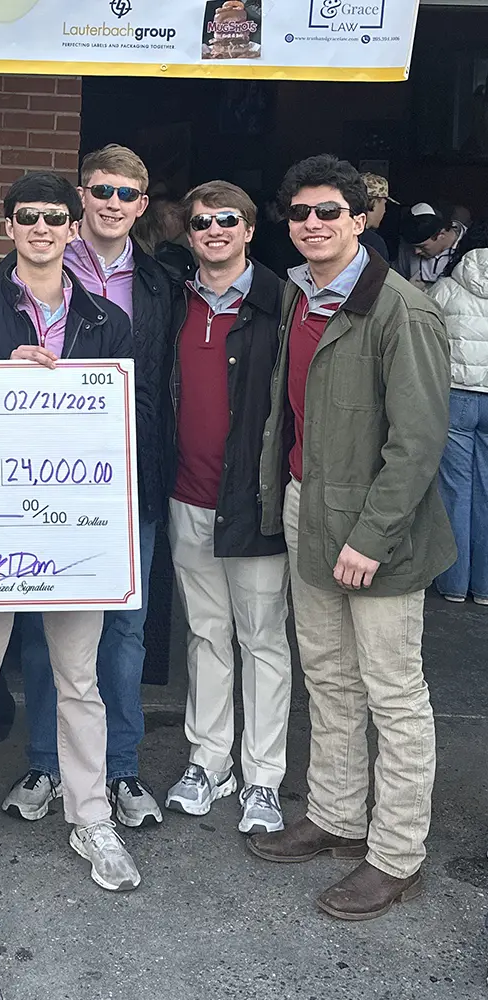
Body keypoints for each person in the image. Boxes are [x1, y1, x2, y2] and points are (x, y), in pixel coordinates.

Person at [0, 171, 141, 894]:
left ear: (74, 228)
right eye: (27, 217)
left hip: (73, 536)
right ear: (7, 227)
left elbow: (121, 430)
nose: (42, 228)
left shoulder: (110, 322)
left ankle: (92, 817)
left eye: (54, 217)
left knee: (80, 683)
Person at [251, 154, 454, 921]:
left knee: (394, 693)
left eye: (329, 212)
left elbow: (418, 440)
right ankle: (337, 817)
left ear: (361, 218)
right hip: (311, 508)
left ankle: (397, 853)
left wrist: (371, 536)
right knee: (329, 679)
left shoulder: (401, 309)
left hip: (379, 529)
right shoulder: (303, 296)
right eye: (301, 213)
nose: (313, 224)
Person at [4, 144, 170, 830]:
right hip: (44, 487)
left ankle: (121, 769)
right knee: (47, 635)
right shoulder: (20, 276)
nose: (112, 203)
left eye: (126, 193)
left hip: (130, 478)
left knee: (124, 633)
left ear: (142, 203)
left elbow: (161, 386)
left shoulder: (162, 284)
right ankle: (45, 762)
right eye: (100, 190)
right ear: (81, 202)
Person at [160, 181, 292, 835]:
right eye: (202, 222)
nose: (214, 230)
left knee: (262, 639)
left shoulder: (282, 303)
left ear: (248, 230)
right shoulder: (172, 302)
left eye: (228, 220)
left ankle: (263, 777)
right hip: (187, 495)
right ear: (189, 235)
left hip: (255, 501)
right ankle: (209, 762)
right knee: (207, 635)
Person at [429, 222, 488, 603]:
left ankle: (452, 583)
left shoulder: (446, 288)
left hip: (457, 396)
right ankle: (484, 587)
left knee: (454, 489)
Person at [397, 202, 464, 290]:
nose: (416, 251)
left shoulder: (470, 247)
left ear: (441, 235)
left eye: (422, 246)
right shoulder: (406, 247)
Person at [359, 172, 395, 262]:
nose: (384, 210)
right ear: (373, 202)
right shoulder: (374, 243)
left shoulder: (342, 234)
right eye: (384, 204)